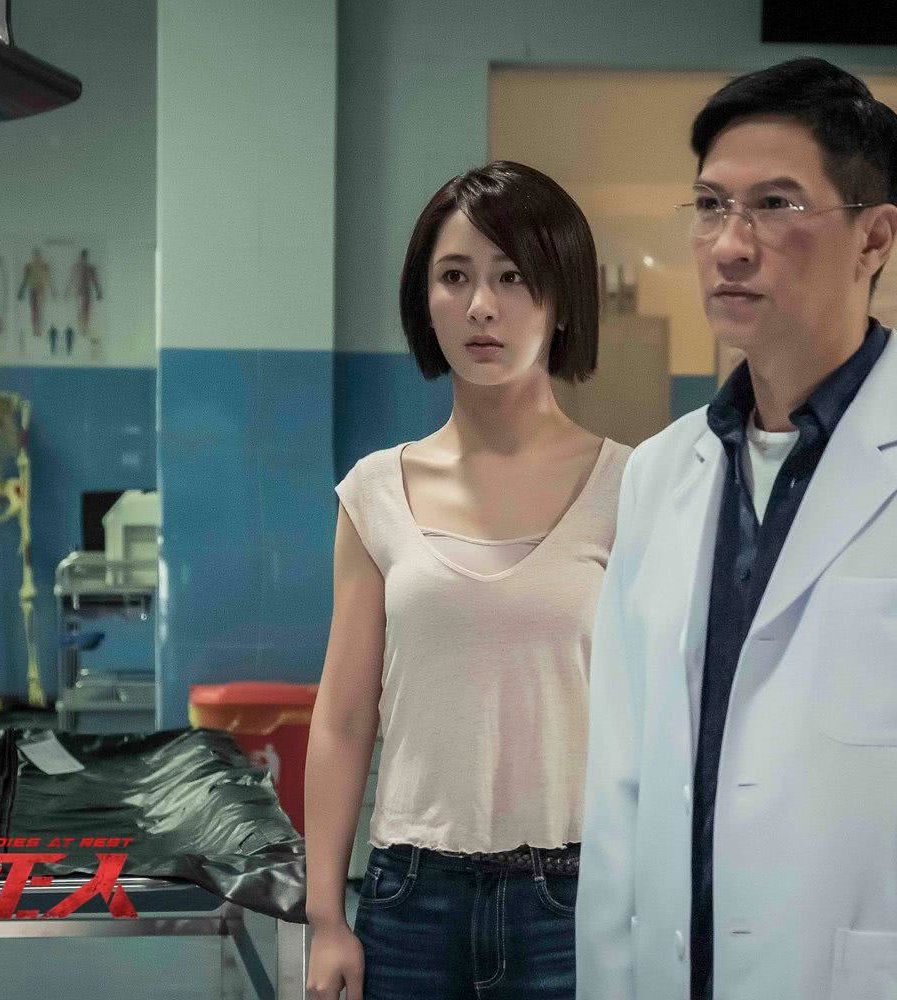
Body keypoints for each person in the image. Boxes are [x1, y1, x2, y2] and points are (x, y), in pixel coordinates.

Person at [575, 58, 897, 1000]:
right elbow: (619, 787)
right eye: (710, 205)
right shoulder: (660, 475)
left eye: (775, 205)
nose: (729, 245)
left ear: (875, 237)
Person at [306, 160, 631, 1000]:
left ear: (562, 300)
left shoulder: (636, 488)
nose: (482, 305)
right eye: (455, 277)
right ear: (426, 302)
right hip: (411, 898)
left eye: (513, 276)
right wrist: (326, 917)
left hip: (578, 896)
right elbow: (343, 718)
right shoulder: (375, 492)